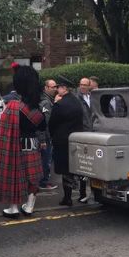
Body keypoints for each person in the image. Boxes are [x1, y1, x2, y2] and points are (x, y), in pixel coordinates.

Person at [0, 65, 45, 217]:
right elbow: (42, 125)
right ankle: (29, 206)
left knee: (14, 176)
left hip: (14, 147)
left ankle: (13, 208)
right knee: (32, 178)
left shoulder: (12, 106)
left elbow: (1, 127)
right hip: (32, 146)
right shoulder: (36, 108)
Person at [48, 77, 85, 207]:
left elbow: (51, 123)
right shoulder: (77, 102)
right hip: (76, 139)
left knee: (65, 170)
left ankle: (67, 197)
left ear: (64, 88)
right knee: (77, 168)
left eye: (58, 87)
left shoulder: (60, 104)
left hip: (62, 141)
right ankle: (83, 194)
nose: (57, 90)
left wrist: (53, 136)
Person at [37, 79, 58, 189]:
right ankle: (43, 182)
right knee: (46, 160)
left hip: (46, 136)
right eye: (52, 87)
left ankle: (42, 181)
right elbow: (45, 122)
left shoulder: (49, 100)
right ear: (46, 88)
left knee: (45, 160)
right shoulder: (46, 102)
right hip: (46, 137)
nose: (55, 89)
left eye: (55, 87)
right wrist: (43, 139)